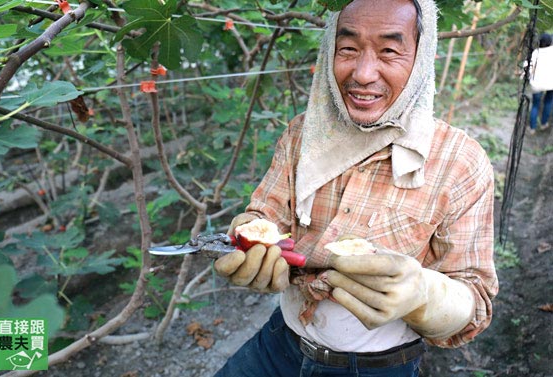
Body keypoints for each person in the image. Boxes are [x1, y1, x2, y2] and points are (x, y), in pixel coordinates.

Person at [214, 0, 499, 376]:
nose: (363, 74)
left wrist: (425, 297)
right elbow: (267, 215)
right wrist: (250, 232)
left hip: (376, 368)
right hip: (280, 345)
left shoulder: (460, 162)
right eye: (348, 49)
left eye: (389, 51)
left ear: (420, 58)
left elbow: (474, 299)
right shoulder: (303, 135)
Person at [528, 32, 553, 135]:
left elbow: (529, 68)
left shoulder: (535, 53)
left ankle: (532, 128)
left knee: (535, 105)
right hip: (551, 83)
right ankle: (543, 124)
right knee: (548, 102)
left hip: (537, 83)